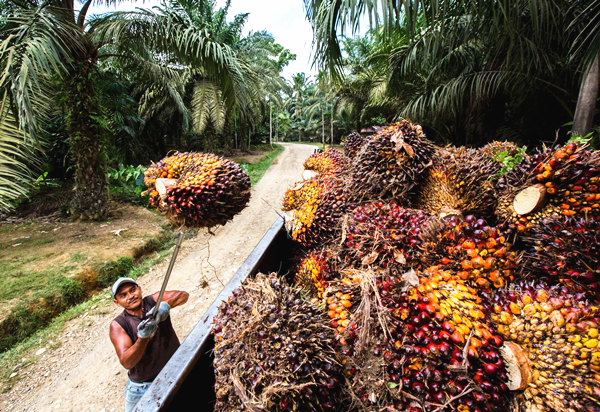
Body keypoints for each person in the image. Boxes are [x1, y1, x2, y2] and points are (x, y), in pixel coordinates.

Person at [109, 277, 189, 412]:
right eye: (123, 295)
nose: (130, 296)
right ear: (117, 302)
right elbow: (127, 362)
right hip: (144, 387)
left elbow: (184, 296)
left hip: (174, 370)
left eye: (132, 290)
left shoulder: (153, 301)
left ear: (139, 289)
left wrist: (166, 305)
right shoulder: (119, 325)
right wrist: (143, 338)